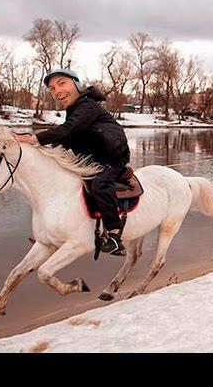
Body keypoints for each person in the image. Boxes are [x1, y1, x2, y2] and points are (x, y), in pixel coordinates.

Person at [13, 68, 130, 256]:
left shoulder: (88, 106)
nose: (56, 91)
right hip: (92, 157)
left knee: (100, 184)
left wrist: (34, 138)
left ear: (76, 85)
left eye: (62, 83)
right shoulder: (75, 110)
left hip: (111, 156)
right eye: (52, 88)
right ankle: (58, 232)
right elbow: (67, 137)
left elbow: (68, 130)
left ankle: (115, 235)